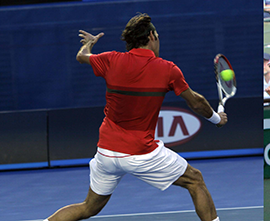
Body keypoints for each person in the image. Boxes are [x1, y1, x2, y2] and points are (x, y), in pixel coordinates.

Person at [44, 13, 227, 221]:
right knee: (195, 180)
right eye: (157, 36)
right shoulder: (168, 69)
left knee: (88, 207)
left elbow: (81, 56)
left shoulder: (110, 59)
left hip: (106, 153)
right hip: (140, 152)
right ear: (151, 36)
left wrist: (90, 43)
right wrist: (216, 118)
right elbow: (196, 102)